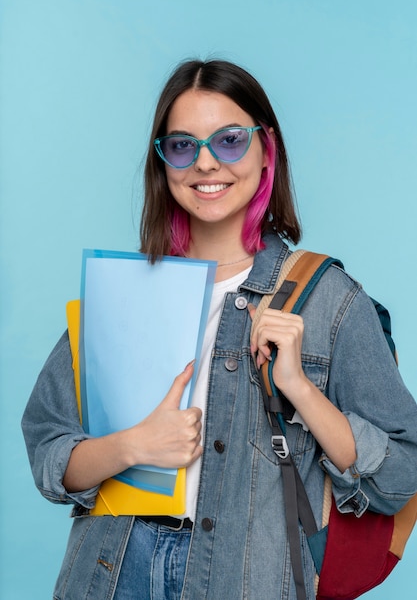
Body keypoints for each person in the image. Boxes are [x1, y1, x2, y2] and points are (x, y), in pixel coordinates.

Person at [22, 59, 417, 600]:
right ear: (163, 162)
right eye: (183, 146)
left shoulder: (328, 301)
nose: (206, 164)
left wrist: (300, 388)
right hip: (110, 572)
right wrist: (134, 445)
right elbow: (49, 450)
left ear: (265, 148)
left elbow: (402, 476)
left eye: (229, 140)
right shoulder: (123, 293)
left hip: (243, 578)